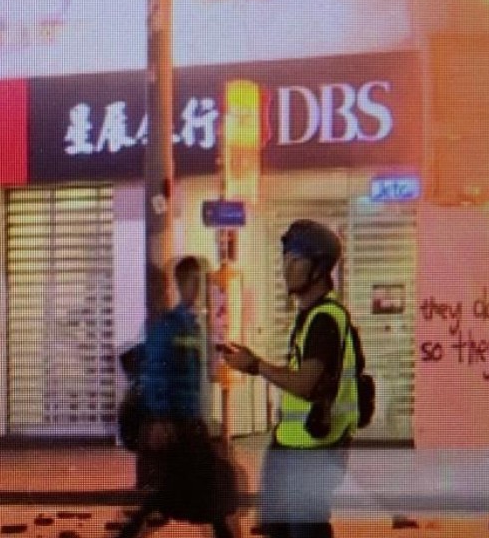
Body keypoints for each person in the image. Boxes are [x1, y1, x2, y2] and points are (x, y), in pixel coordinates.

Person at [221, 219, 359, 538]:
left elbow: (305, 385)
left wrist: (256, 366)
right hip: (296, 444)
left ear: (318, 268)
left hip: (315, 448)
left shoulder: (325, 319)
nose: (286, 268)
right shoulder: (311, 316)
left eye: (295, 260)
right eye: (285, 259)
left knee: (305, 529)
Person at [120, 256, 242, 538]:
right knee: (202, 485)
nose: (199, 289)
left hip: (187, 419)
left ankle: (131, 529)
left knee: (180, 487)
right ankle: (131, 529)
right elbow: (157, 374)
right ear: (182, 284)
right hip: (178, 422)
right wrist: (161, 418)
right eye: (195, 283)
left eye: (201, 283)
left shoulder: (192, 325)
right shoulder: (170, 326)